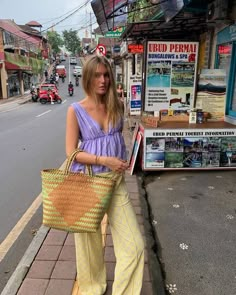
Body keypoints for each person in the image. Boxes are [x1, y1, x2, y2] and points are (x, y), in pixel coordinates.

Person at [65, 55, 144, 295]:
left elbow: (118, 140)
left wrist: (130, 158)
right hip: (87, 183)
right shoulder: (75, 110)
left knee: (135, 247)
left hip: (116, 183)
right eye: (97, 75)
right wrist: (103, 160)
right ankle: (92, 289)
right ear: (87, 78)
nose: (103, 80)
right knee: (88, 249)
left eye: (106, 74)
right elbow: (71, 153)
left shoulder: (116, 105)